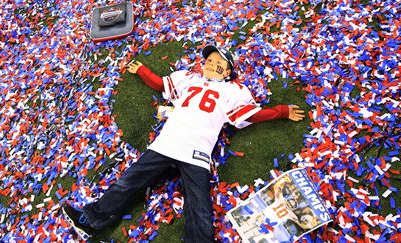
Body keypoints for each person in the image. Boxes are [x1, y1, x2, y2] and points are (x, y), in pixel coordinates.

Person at [61, 45, 305, 241]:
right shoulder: (188, 79)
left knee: (198, 205)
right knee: (128, 182)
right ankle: (90, 222)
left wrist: (282, 111)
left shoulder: (234, 90)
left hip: (196, 151)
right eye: (209, 61)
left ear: (229, 71)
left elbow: (250, 115)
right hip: (166, 143)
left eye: (218, 63)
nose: (211, 64)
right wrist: (143, 71)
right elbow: (161, 85)